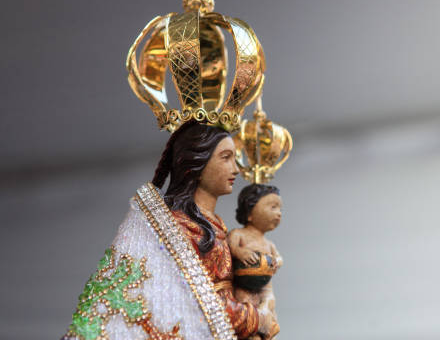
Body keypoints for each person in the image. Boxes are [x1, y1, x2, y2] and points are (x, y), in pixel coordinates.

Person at [62, 121, 278, 340]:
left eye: (235, 158)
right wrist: (257, 319)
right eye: (226, 157)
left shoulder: (216, 225)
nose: (236, 169)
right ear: (197, 164)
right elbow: (200, 304)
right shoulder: (180, 228)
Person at [229, 184, 284, 340]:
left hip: (265, 286)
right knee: (245, 307)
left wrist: (276, 261)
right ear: (249, 212)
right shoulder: (238, 234)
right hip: (243, 285)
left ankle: (264, 317)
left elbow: (279, 259)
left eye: (280, 209)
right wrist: (240, 251)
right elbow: (231, 246)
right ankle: (253, 328)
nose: (278, 213)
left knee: (269, 301)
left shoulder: (269, 244)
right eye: (273, 207)